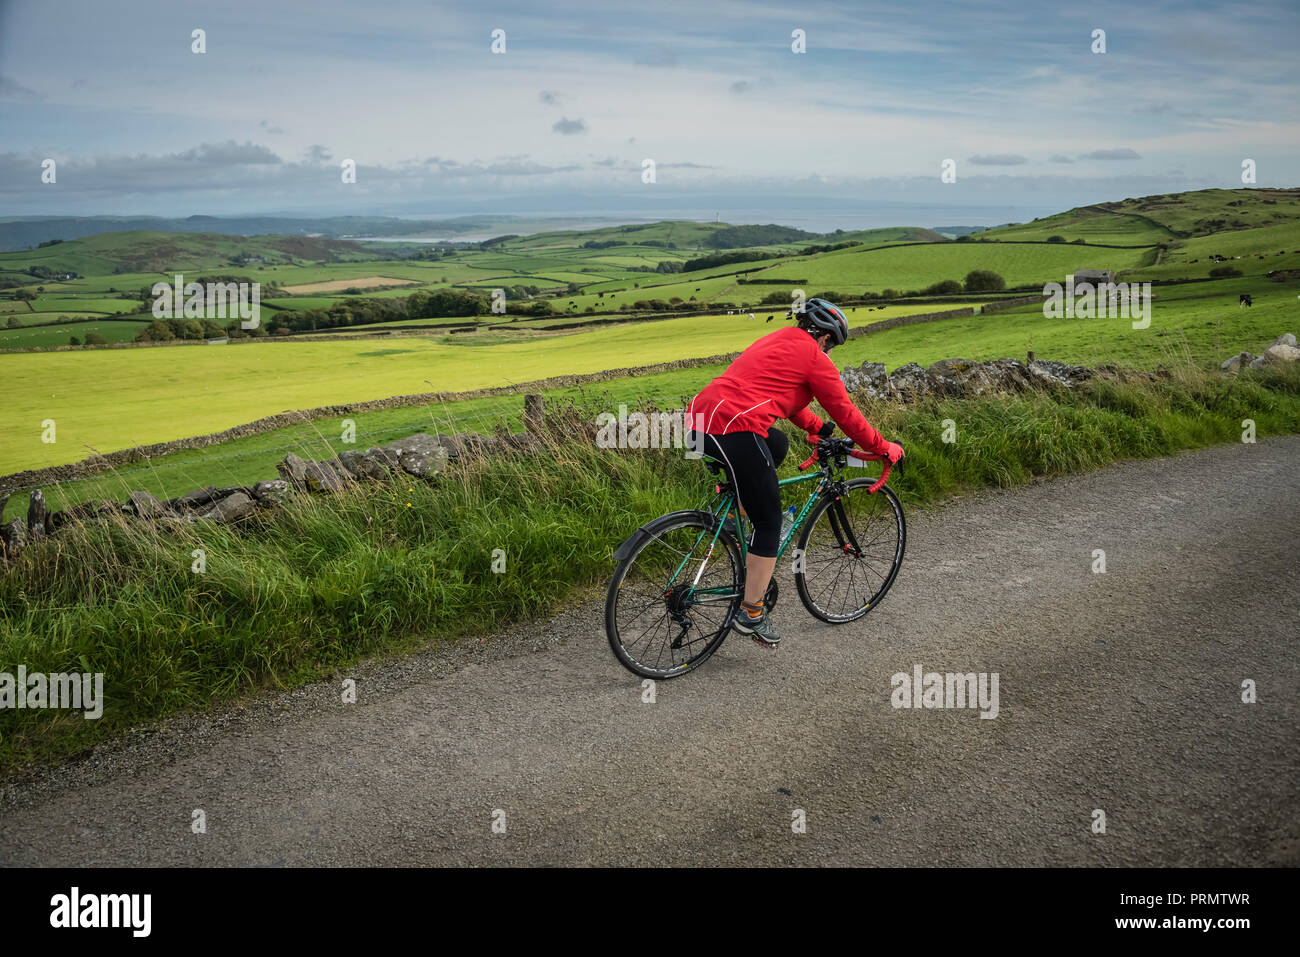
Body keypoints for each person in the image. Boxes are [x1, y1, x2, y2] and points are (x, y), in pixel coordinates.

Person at [686, 298, 904, 647]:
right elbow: (846, 413)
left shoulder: (779, 339)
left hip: (699, 420)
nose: (829, 351)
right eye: (831, 344)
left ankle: (734, 517)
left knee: (777, 445)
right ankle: (752, 613)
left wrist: (817, 427)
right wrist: (882, 447)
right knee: (770, 521)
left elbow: (775, 391)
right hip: (735, 427)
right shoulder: (815, 358)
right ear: (825, 338)